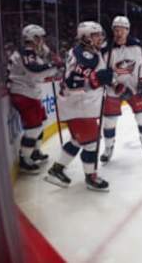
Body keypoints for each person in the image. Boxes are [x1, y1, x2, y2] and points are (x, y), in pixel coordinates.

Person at [44, 21, 114, 192]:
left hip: (79, 106)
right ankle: (91, 177)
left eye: (100, 35)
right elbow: (73, 81)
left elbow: (90, 75)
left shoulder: (87, 53)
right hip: (77, 106)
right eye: (96, 35)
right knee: (91, 142)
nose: (100, 38)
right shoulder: (83, 54)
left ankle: (56, 170)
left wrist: (102, 79)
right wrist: (97, 79)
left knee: (77, 140)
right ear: (86, 37)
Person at [99, 16, 142, 163]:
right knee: (109, 121)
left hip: (133, 88)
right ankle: (108, 147)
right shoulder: (105, 48)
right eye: (116, 29)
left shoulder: (136, 45)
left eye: (122, 29)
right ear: (112, 30)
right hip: (114, 90)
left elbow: (140, 66)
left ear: (127, 30)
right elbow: (102, 73)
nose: (119, 33)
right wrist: (116, 86)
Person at [8, 24, 63, 174]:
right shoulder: (27, 52)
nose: (42, 40)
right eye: (40, 37)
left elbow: (41, 66)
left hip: (30, 92)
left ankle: (34, 151)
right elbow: (35, 73)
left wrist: (53, 63)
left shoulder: (32, 51)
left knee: (42, 122)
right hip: (23, 93)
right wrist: (54, 65)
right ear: (33, 38)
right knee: (33, 128)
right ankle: (25, 160)